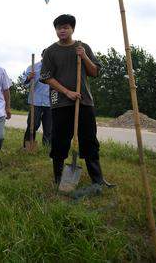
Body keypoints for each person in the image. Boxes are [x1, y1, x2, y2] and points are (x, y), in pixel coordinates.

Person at [40, 14, 114, 187]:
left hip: (84, 101)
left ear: (73, 28)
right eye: (59, 28)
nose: (62, 30)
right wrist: (67, 92)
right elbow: (46, 77)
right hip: (60, 102)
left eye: (65, 27)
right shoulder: (51, 51)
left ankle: (98, 179)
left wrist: (84, 57)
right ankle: (59, 179)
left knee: (89, 140)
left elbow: (95, 72)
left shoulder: (83, 47)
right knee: (59, 141)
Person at [22, 51, 52, 147]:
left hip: (50, 102)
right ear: (42, 56)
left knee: (49, 128)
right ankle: (28, 146)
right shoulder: (32, 67)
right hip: (36, 101)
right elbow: (24, 82)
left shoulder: (56, 68)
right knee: (33, 125)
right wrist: (29, 78)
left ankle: (47, 148)